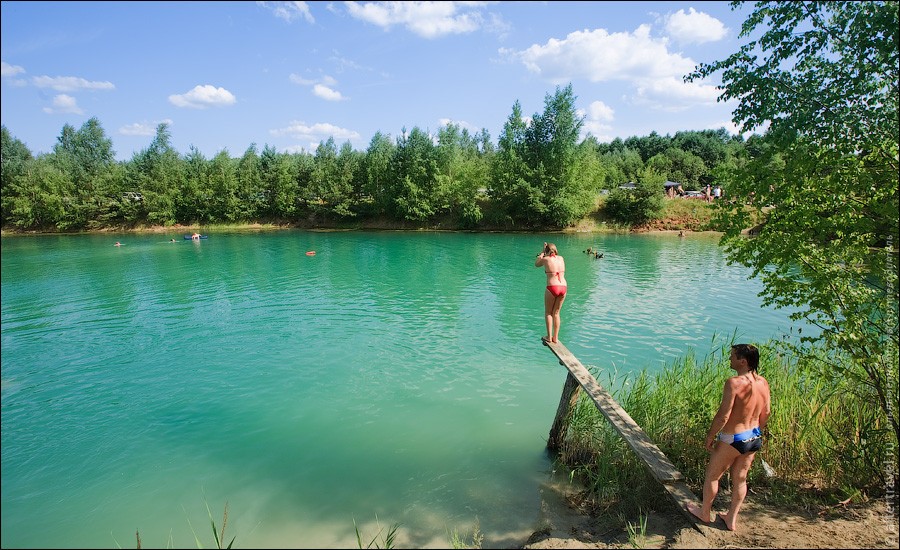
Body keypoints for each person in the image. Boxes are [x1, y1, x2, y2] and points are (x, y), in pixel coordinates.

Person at [687, 343, 771, 532]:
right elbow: (766, 412)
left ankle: (705, 513)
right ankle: (731, 518)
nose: (729, 359)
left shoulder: (733, 383)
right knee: (740, 479)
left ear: (743, 361)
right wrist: (757, 431)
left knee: (712, 476)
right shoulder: (763, 382)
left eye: (732, 356)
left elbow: (724, 415)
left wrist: (711, 435)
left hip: (733, 437)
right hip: (753, 436)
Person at [534, 242, 567, 344]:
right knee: (556, 313)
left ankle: (549, 336)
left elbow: (536, 264)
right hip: (564, 287)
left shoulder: (545, 259)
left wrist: (542, 253)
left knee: (548, 313)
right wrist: (546, 250)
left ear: (547, 251)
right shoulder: (561, 258)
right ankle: (555, 338)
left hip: (552, 287)